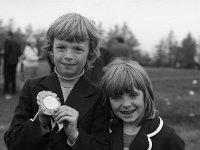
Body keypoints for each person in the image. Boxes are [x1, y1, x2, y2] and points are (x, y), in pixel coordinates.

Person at [4, 13, 110, 150]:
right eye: (61, 47)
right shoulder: (32, 87)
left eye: (78, 49)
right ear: (51, 48)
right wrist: (40, 124)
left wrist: (75, 135)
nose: (68, 56)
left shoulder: (98, 96)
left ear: (89, 52)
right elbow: (13, 142)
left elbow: (102, 146)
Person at [100, 57, 185, 150]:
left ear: (146, 95)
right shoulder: (103, 130)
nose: (126, 104)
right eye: (116, 97)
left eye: (133, 95)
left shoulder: (167, 137)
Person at [3, 31, 21, 99]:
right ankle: (13, 90)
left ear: (8, 35)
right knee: (13, 76)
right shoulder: (17, 42)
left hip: (8, 62)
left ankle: (6, 91)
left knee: (7, 76)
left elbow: (6, 52)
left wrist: (3, 55)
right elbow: (19, 53)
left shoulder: (7, 41)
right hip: (15, 62)